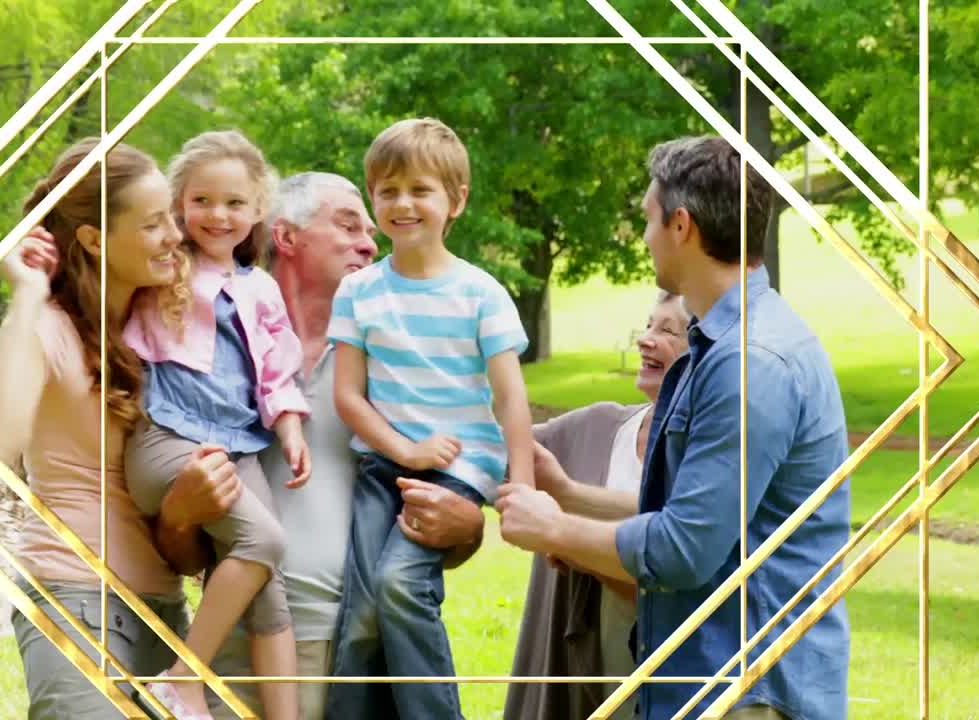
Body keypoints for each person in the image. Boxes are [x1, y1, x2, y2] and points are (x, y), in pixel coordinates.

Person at [497, 135, 851, 719]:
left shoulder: (749, 363)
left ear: (681, 225)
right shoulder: (719, 345)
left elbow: (685, 549)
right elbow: (704, 515)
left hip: (746, 690)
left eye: (647, 219)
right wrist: (570, 494)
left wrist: (555, 529)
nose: (643, 237)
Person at [174, 171, 487, 720]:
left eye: (370, 230)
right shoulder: (214, 345)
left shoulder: (400, 357)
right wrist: (179, 512)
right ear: (286, 237)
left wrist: (468, 528)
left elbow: (451, 503)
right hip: (236, 656)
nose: (370, 242)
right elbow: (172, 539)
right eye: (347, 225)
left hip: (359, 660)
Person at [0, 138, 244, 720]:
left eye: (170, 217)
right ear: (95, 239)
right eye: (152, 225)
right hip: (76, 598)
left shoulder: (161, 333)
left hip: (164, 611)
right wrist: (25, 295)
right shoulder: (49, 327)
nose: (175, 235)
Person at [324, 117, 534, 720]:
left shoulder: (480, 293)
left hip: (459, 464)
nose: (403, 203)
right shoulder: (359, 292)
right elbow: (349, 398)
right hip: (385, 462)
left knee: (397, 582)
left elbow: (510, 399)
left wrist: (520, 483)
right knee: (360, 613)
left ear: (457, 201)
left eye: (420, 189)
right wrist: (403, 450)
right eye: (387, 191)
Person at [123, 130, 309, 719]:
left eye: (234, 203)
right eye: (201, 200)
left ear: (257, 211)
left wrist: (291, 430)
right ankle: (181, 677)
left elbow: (276, 372)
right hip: (169, 439)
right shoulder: (163, 270)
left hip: (240, 449)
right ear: (178, 206)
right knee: (267, 539)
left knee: (269, 586)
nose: (217, 214)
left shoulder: (261, 288)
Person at [504, 291, 690, 720]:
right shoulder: (598, 426)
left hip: (673, 679)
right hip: (596, 672)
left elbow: (675, 544)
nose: (646, 340)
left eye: (666, 330)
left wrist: (572, 541)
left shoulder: (710, 453)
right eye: (647, 326)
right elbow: (500, 449)